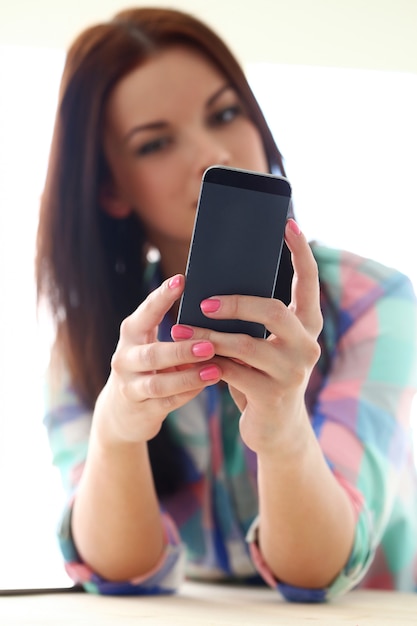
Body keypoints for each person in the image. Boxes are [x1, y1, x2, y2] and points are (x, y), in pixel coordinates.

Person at [36, 6, 417, 602]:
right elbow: (121, 572)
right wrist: (115, 429)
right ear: (110, 186)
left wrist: (284, 431)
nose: (213, 153)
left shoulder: (376, 301)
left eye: (226, 112)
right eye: (156, 142)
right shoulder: (94, 342)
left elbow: (318, 574)